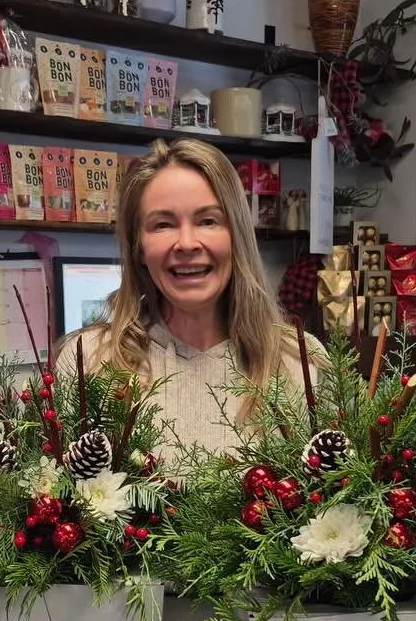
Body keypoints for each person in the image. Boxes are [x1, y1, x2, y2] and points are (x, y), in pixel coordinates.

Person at [60, 137, 313, 457]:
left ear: (236, 236)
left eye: (208, 220)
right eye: (163, 224)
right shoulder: (90, 362)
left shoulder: (300, 361)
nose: (187, 243)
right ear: (138, 247)